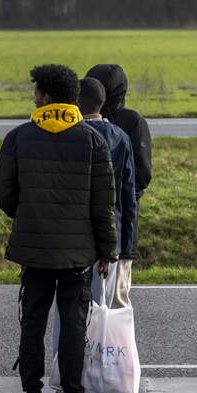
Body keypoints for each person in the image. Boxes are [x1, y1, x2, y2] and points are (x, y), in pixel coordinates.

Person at [0, 64, 117, 393]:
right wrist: (107, 251)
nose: (33, 97)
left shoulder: (19, 138)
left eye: (36, 92)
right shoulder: (93, 141)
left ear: (45, 96)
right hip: (78, 254)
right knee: (74, 326)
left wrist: (28, 214)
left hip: (34, 252)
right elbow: (103, 204)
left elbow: (3, 192)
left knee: (32, 323)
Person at [85, 64, 153, 296]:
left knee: (80, 303)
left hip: (83, 229)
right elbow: (142, 174)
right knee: (118, 301)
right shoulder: (132, 122)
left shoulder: (80, 125)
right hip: (121, 224)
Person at [78, 77, 137, 308]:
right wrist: (127, 245)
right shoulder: (121, 138)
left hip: (77, 236)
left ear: (77, 103)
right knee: (104, 305)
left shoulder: (73, 135)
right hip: (113, 233)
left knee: (73, 306)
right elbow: (128, 195)